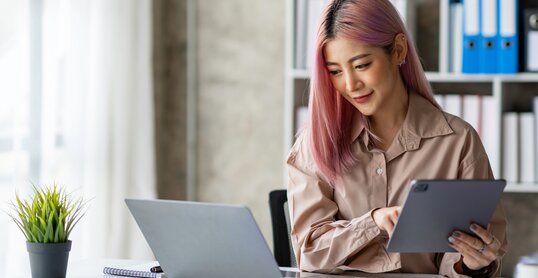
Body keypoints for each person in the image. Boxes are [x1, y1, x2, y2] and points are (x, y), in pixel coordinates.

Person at [286, 0, 507, 277]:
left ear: (398, 50)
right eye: (335, 71)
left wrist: (473, 264)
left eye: (362, 65)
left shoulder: (458, 142)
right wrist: (373, 222)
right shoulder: (314, 143)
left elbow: (464, 260)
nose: (350, 85)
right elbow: (308, 253)